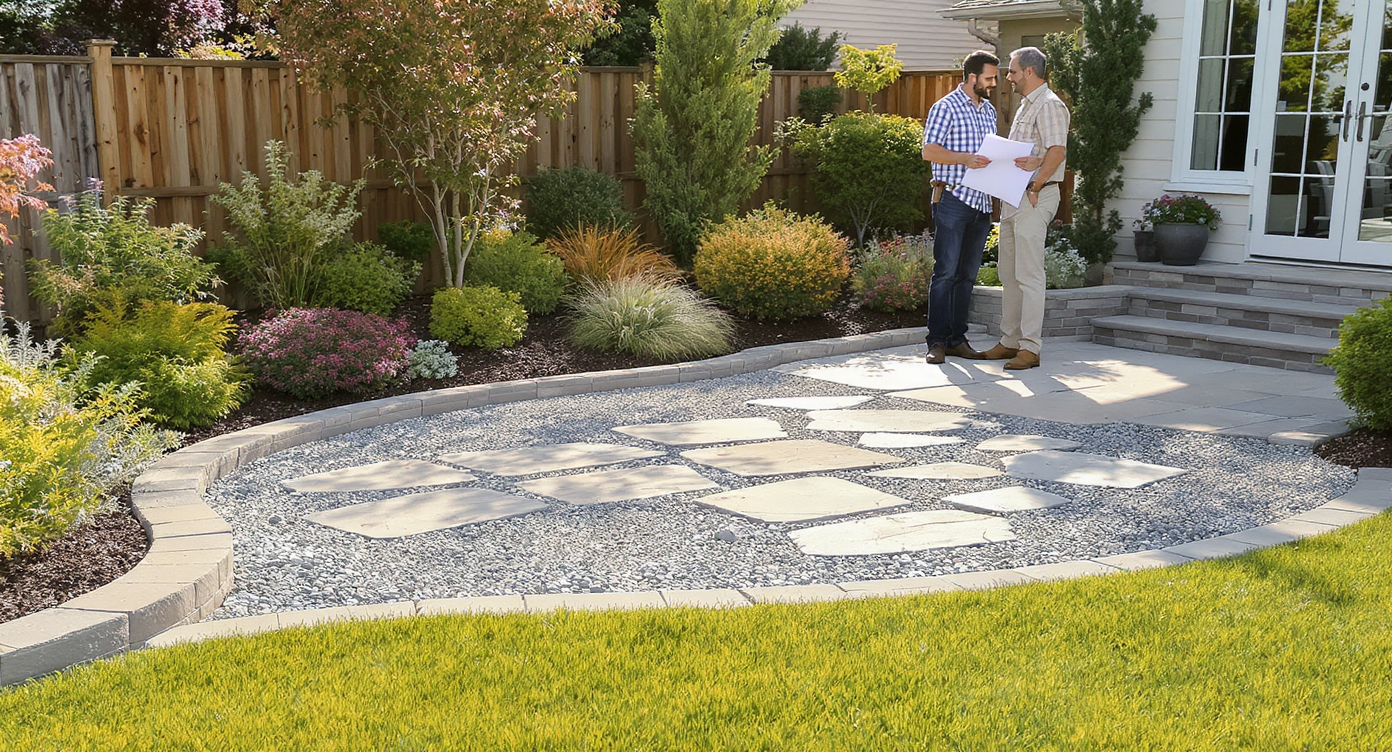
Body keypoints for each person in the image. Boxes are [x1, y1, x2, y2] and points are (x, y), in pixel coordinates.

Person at [979, 46, 1070, 370]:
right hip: (1013, 197)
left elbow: (1057, 150)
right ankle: (1010, 341)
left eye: (1013, 71)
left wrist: (1036, 184)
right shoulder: (1025, 105)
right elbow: (1031, 153)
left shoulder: (1049, 105)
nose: (1009, 77)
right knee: (1009, 273)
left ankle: (1030, 348)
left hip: (1034, 195)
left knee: (1029, 275)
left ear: (1029, 72)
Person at [920, 50, 999, 365]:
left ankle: (957, 340)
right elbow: (929, 151)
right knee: (945, 273)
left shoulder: (989, 111)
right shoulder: (946, 107)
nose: (994, 84)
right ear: (972, 76)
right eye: (989, 78)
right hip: (953, 199)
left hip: (982, 203)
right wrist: (965, 158)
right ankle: (937, 341)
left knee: (967, 276)